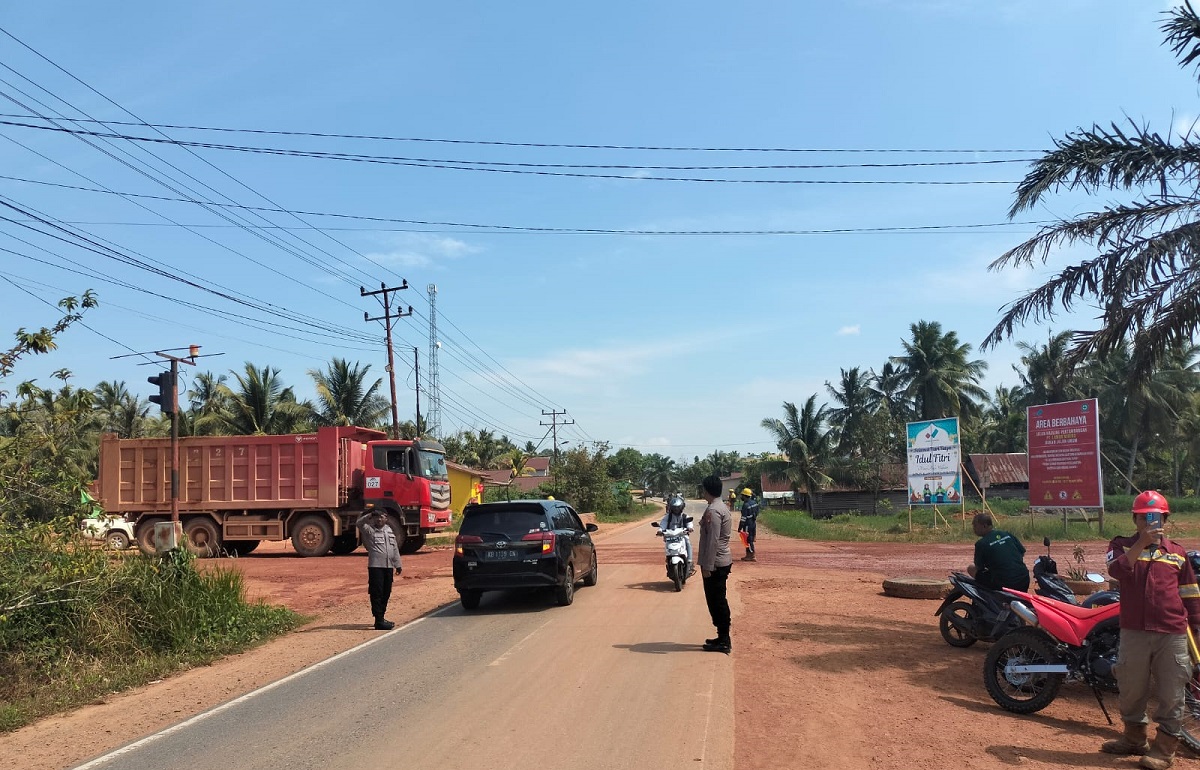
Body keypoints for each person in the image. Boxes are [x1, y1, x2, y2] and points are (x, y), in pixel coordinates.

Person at [1100, 491, 1200, 769]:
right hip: (1134, 632)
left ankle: (1164, 751)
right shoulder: (1121, 545)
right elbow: (1115, 571)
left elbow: (1190, 594)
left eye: (1154, 517)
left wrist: (1197, 629)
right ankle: (1134, 739)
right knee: (1131, 688)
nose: (1149, 522)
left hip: (1173, 634)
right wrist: (1141, 544)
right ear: (1134, 519)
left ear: (1165, 519)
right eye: (1143, 517)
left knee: (1172, 693)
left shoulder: (1177, 552)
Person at [698, 474, 733, 653]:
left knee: (717, 601)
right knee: (716, 600)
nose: (702, 492)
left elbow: (712, 541)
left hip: (716, 563)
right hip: (720, 560)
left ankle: (724, 640)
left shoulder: (713, 510)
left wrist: (708, 567)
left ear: (707, 490)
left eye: (703, 489)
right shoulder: (721, 507)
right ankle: (721, 636)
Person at [357, 506, 402, 630]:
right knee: (376, 593)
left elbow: (394, 549)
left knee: (386, 592)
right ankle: (378, 620)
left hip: (388, 567)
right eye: (377, 517)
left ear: (386, 518)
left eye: (382, 517)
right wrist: (370, 514)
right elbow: (359, 523)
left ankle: (381, 616)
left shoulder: (389, 531)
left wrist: (398, 564)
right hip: (376, 567)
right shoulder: (370, 531)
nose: (379, 520)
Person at [967, 513, 1029, 591]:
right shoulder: (1007, 534)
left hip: (1004, 583)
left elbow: (979, 567)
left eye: (975, 526)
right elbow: (1022, 553)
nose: (973, 529)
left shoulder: (981, 544)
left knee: (971, 568)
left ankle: (985, 595)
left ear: (984, 525)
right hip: (1024, 579)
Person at [659, 493, 694, 574]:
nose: (676, 510)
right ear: (671, 508)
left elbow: (689, 523)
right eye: (674, 508)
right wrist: (660, 530)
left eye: (678, 508)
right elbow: (663, 523)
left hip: (682, 535)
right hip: (670, 535)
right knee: (667, 545)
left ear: (681, 507)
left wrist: (690, 528)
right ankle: (668, 559)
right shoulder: (668, 516)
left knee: (688, 542)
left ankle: (689, 561)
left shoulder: (684, 516)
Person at [738, 487, 760, 562]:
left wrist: (740, 527)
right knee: (750, 539)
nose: (741, 497)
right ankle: (748, 555)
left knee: (748, 540)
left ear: (745, 496)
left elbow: (743, 518)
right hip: (753, 523)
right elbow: (757, 512)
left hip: (747, 524)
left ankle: (752, 555)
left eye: (742, 495)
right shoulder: (754, 503)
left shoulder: (745, 505)